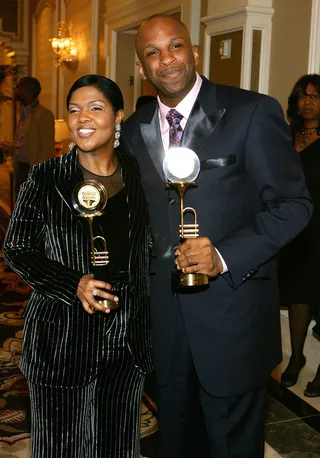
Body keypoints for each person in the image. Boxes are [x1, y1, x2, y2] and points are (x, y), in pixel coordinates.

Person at [121, 14, 313, 458]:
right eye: (152, 52)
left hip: (233, 316)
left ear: (194, 51)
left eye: (174, 46)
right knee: (178, 443)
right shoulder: (134, 128)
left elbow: (294, 206)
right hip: (164, 323)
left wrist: (224, 256)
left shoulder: (251, 111)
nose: (166, 59)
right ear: (142, 66)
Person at [3, 75, 152, 458]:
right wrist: (74, 283)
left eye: (96, 108)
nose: (82, 117)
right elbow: (17, 248)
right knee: (61, 447)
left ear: (118, 116)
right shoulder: (45, 177)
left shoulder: (140, 176)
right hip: (62, 335)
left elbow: (151, 247)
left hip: (127, 335)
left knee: (118, 445)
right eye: (74, 109)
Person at [278, 74, 320, 397]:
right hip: (295, 227)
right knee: (297, 293)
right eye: (303, 96)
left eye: (315, 96)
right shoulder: (286, 135)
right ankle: (296, 356)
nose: (308, 102)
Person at [0, 76, 55, 196]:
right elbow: (24, 143)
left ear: (28, 91)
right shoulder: (24, 112)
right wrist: (10, 148)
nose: (15, 91)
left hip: (32, 170)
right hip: (20, 168)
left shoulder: (44, 114)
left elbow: (47, 149)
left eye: (18, 88)